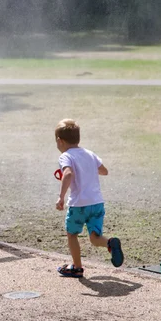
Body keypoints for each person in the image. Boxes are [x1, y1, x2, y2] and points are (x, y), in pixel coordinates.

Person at [55, 118, 123, 277]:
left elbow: (68, 173)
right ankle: (109, 243)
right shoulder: (89, 153)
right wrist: (88, 170)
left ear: (60, 141)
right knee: (95, 237)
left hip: (79, 204)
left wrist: (61, 197)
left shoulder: (66, 156)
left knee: (72, 234)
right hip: (97, 203)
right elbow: (104, 171)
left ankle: (77, 267)